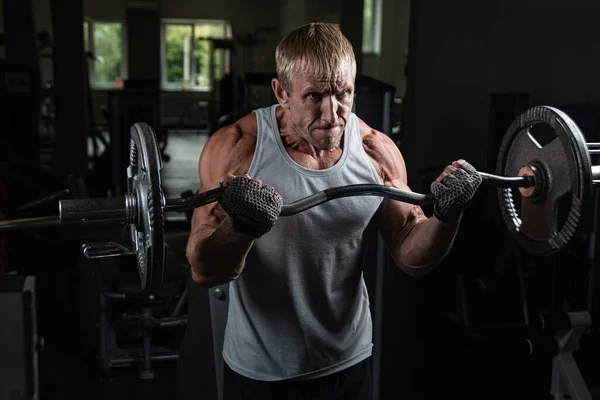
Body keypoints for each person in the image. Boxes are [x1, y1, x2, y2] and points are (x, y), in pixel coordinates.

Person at [185, 22, 482, 400]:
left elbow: (411, 255)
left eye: (343, 93)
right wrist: (241, 227)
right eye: (314, 96)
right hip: (262, 370)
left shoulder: (376, 151)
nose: (332, 113)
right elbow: (204, 269)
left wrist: (446, 216)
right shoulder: (237, 149)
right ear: (281, 92)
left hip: (349, 361)